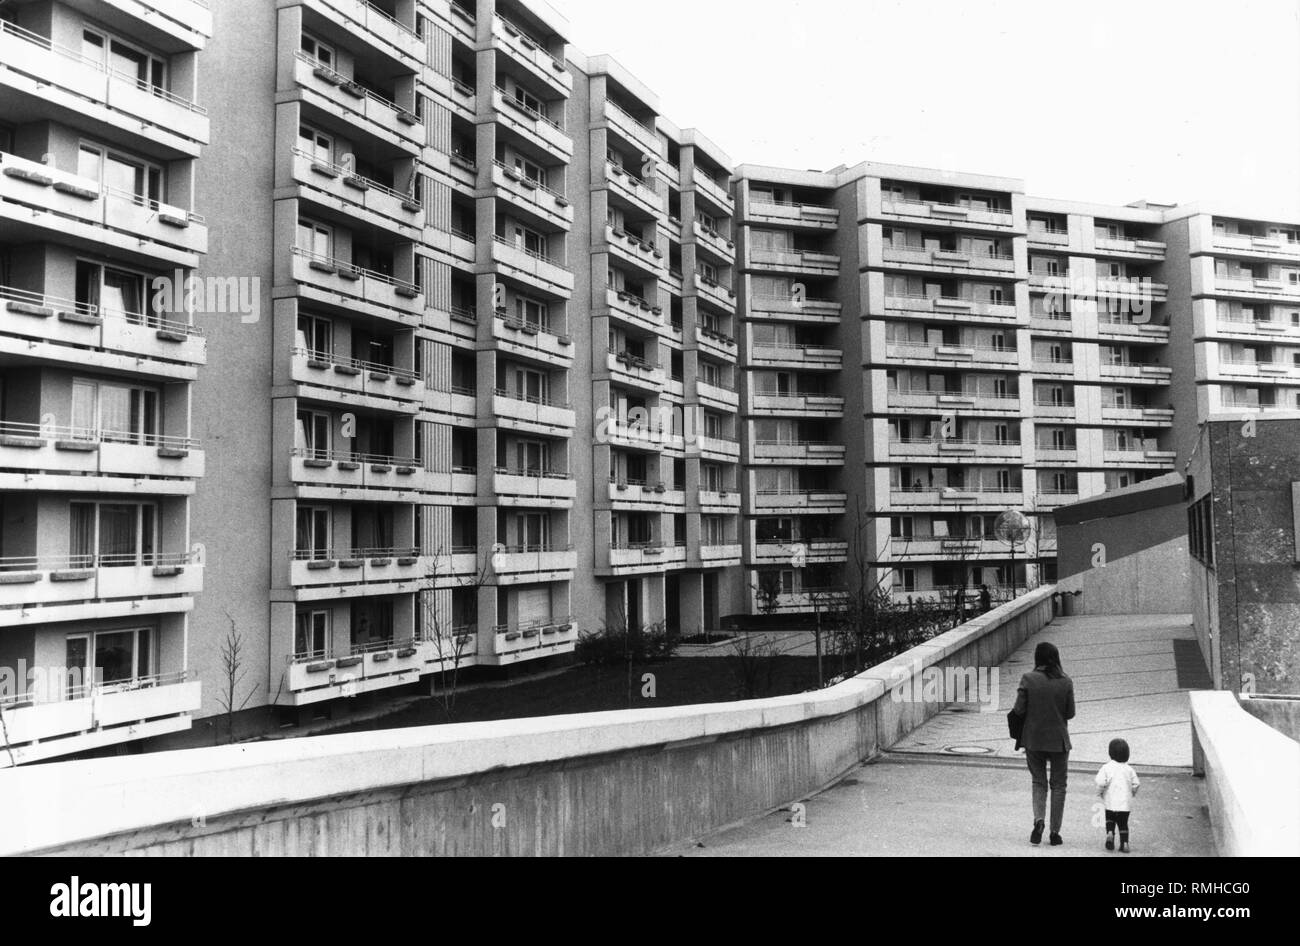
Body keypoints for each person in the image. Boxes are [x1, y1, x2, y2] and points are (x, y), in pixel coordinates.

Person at [1011, 642, 1076, 846]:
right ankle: (1055, 832)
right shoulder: (1066, 682)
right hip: (1058, 741)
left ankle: (1039, 820)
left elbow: (1019, 710)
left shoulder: (1028, 679)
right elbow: (1070, 713)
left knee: (1039, 782)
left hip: (1033, 740)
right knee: (1059, 786)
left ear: (1037, 658)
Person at [1095, 738, 1140, 853]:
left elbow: (1100, 782)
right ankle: (1124, 843)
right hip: (1125, 803)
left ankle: (1110, 833)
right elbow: (1136, 783)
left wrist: (1100, 792)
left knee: (1110, 818)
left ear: (1110, 753)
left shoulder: (1106, 767)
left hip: (1110, 801)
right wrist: (1132, 792)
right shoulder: (1129, 769)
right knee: (1123, 823)